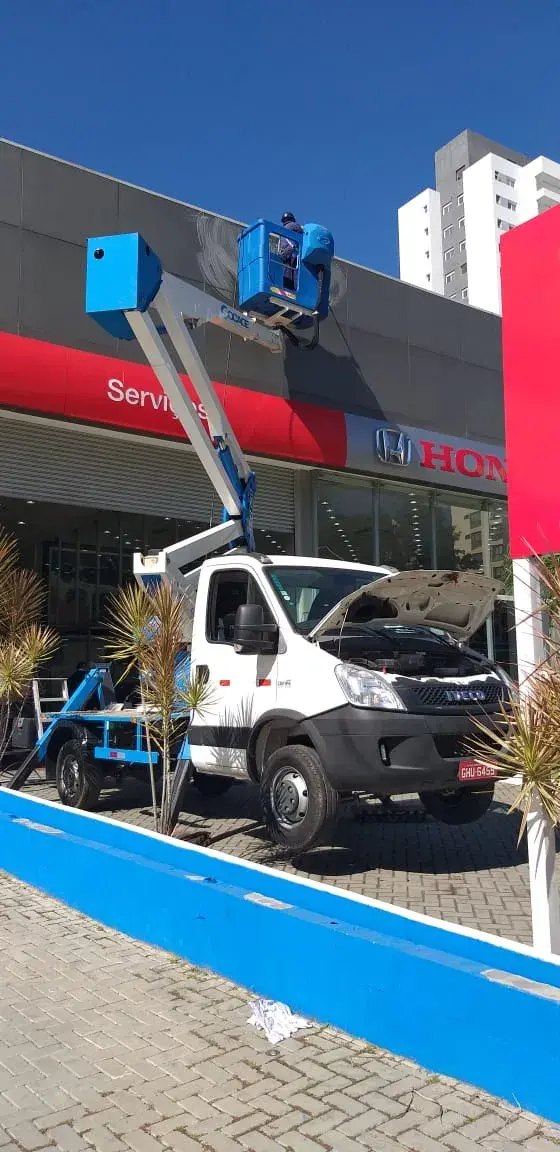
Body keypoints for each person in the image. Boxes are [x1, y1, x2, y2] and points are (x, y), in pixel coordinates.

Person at [278, 212, 303, 292]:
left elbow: (288, 244)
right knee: (294, 274)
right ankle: (294, 291)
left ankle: (288, 291)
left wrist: (282, 254)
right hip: (293, 254)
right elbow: (301, 230)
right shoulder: (293, 226)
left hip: (287, 254)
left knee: (287, 274)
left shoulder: (284, 229)